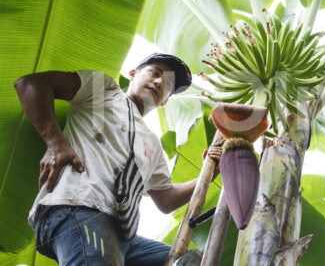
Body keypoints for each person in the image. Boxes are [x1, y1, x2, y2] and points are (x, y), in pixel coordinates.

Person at [14, 53, 222, 265]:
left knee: (190, 261)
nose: (159, 82)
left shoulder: (152, 144)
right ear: (133, 74)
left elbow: (166, 199)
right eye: (154, 73)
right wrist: (55, 143)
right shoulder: (104, 90)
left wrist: (207, 174)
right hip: (78, 207)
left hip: (123, 235)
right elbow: (31, 84)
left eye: (167, 84)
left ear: (166, 100)